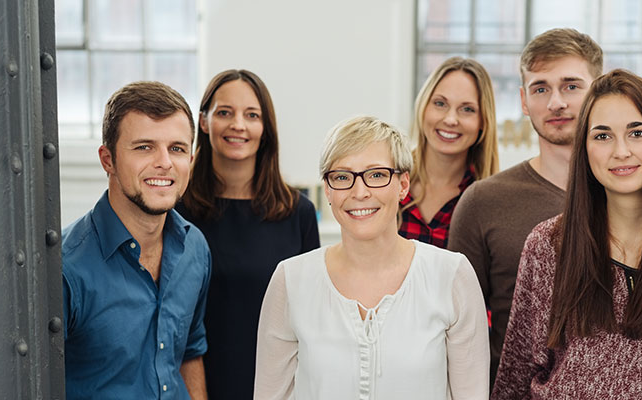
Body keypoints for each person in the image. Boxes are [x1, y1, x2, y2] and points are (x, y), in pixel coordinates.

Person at [492, 69, 642, 398]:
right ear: (585, 148)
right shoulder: (548, 245)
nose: (621, 151)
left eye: (637, 133)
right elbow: (515, 379)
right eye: (602, 136)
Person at [254, 116, 490, 399]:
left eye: (376, 175)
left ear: (403, 185)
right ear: (328, 190)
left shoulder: (451, 276)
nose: (360, 192)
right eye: (342, 177)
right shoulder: (291, 280)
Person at [448, 28, 603, 385]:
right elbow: (458, 333)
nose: (556, 102)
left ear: (598, 91)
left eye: (571, 86)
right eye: (540, 88)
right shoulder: (483, 203)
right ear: (523, 100)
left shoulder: (635, 196)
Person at [62, 81, 210, 400]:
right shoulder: (64, 267)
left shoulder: (195, 248)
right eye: (144, 147)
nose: (164, 162)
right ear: (108, 160)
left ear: (192, 160)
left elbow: (190, 352)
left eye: (177, 148)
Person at [177, 69, 320, 399]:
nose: (237, 125)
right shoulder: (178, 211)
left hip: (277, 384)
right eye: (224, 112)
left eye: (251, 115)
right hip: (193, 381)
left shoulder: (297, 213)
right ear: (204, 121)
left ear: (265, 127)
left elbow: (311, 320)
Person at [399, 57, 499, 248]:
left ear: (483, 122)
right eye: (440, 104)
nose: (451, 119)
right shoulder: (387, 181)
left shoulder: (490, 202)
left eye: (467, 109)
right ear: (423, 107)